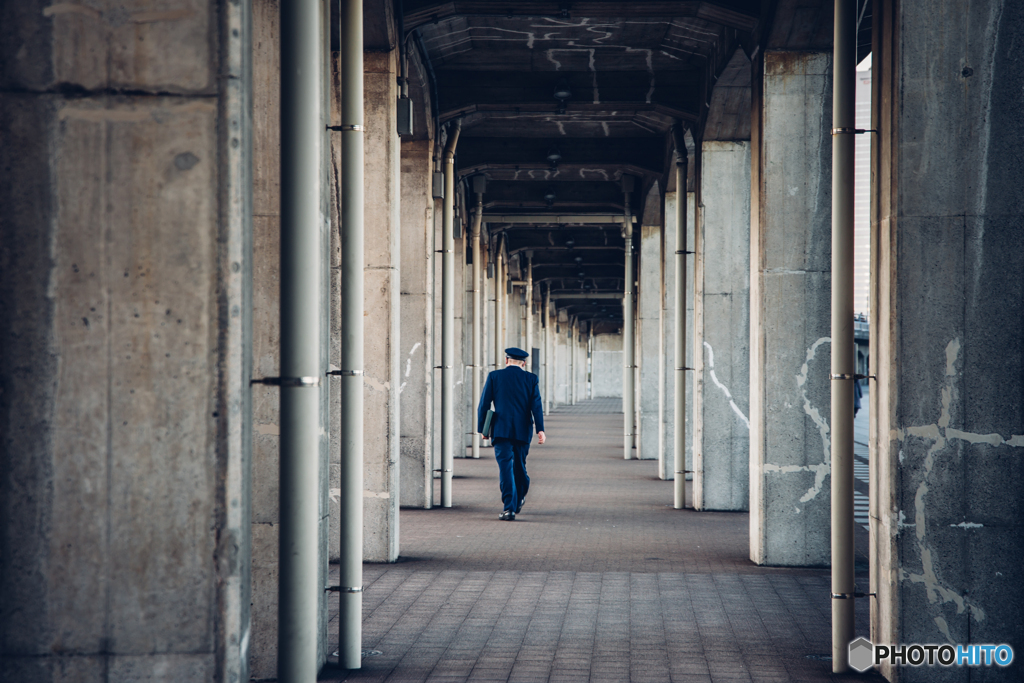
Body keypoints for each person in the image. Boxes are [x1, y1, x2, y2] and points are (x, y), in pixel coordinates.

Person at [477, 347, 546, 521]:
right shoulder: (531, 379)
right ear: (524, 363)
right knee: (519, 467)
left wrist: (483, 430)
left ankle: (509, 508)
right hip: (523, 430)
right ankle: (518, 498)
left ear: (506, 360)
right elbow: (536, 406)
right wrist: (540, 429)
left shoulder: (495, 376)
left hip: (500, 430)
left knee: (506, 468)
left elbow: (484, 404)